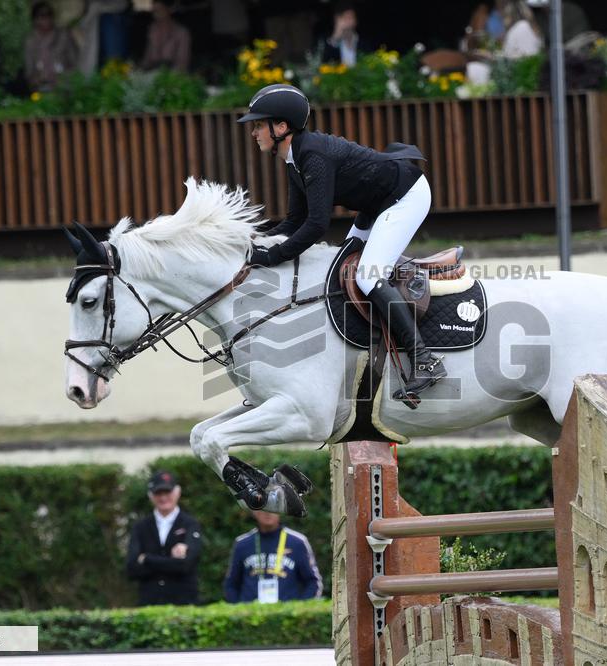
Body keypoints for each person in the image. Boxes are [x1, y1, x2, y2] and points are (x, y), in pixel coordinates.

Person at [237, 84, 448, 406]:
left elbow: (317, 225)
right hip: (377, 204)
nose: (253, 133)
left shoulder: (312, 156)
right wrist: (258, 245)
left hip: (405, 196)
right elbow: (294, 220)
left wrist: (272, 256)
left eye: (258, 125)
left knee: (368, 276)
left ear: (281, 127)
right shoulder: (294, 158)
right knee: (340, 267)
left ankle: (425, 360)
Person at [126, 470, 204, 606]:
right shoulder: (140, 527)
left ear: (177, 492)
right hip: (149, 603)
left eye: (167, 492)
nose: (163, 498)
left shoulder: (190, 524)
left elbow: (186, 565)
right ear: (151, 496)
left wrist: (147, 559)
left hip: (184, 603)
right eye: (158, 493)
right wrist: (171, 561)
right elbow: (132, 569)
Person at [223, 510, 323, 603]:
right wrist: (239, 612)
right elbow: (231, 585)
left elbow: (313, 582)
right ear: (254, 511)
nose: (268, 513)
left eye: (273, 508)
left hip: (287, 616)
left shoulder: (297, 543)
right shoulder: (242, 544)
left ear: (280, 510)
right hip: (251, 616)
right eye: (263, 508)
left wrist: (300, 611)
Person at [24, 2, 78, 91]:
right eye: (42, 15)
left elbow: (76, 63)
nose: (47, 18)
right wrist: (36, 80)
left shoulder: (64, 36)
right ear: (35, 19)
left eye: (49, 14)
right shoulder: (31, 42)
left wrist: (64, 78)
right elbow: (29, 72)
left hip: (65, 86)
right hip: (41, 88)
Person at [141, 0, 191, 72]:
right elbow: (147, 57)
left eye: (159, 10)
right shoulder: (152, 29)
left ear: (169, 10)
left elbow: (182, 62)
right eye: (154, 11)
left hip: (173, 73)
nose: (156, 15)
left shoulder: (181, 32)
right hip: (154, 71)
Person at [320, 2, 366, 66]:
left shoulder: (364, 44)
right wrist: (336, 37)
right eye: (344, 18)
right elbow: (323, 63)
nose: (347, 22)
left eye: (350, 18)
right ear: (336, 20)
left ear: (356, 21)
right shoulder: (327, 41)